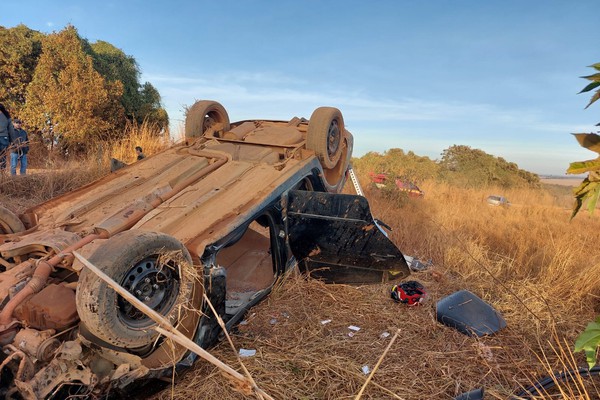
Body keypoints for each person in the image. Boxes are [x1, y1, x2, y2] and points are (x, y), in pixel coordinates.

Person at [0, 103, 15, 172]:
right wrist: (13, 141)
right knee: (3, 157)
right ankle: (2, 175)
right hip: (4, 138)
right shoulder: (6, 116)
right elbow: (11, 130)